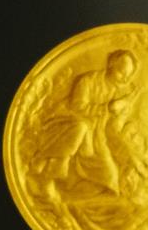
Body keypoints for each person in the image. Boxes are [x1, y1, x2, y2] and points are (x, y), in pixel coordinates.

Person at [32, 50, 139, 200]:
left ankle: (71, 199)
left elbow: (113, 127)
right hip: (65, 124)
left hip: (95, 137)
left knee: (110, 178)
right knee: (81, 127)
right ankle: (47, 179)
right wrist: (108, 107)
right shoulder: (88, 81)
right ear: (111, 65)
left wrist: (128, 146)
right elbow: (77, 108)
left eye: (128, 75)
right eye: (121, 72)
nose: (125, 78)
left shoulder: (120, 92)